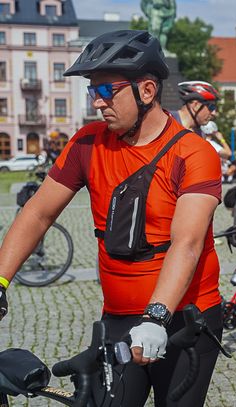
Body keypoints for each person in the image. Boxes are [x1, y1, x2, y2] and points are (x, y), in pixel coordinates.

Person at [0, 30, 223, 407]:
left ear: (147, 90)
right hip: (118, 316)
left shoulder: (193, 153)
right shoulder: (87, 143)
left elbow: (187, 243)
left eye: (107, 90)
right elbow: (38, 212)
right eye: (93, 91)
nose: (98, 102)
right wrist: (1, 280)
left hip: (184, 317)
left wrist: (156, 316)